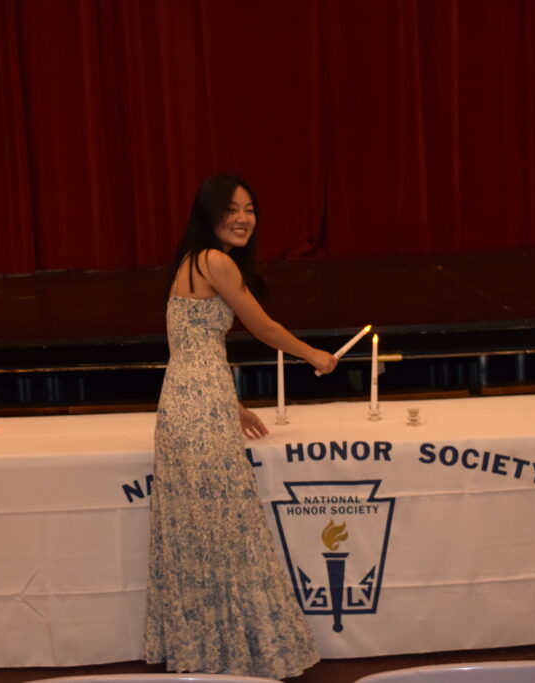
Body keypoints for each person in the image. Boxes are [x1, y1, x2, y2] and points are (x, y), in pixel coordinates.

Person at [144, 174, 337, 678]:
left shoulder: (191, 262)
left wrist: (231, 406)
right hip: (199, 406)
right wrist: (313, 355)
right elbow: (263, 326)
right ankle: (236, 652)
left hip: (189, 402)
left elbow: (191, 350)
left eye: (250, 208)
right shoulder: (214, 260)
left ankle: (208, 651)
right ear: (209, 214)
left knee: (203, 530)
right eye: (232, 208)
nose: (243, 217)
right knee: (227, 530)